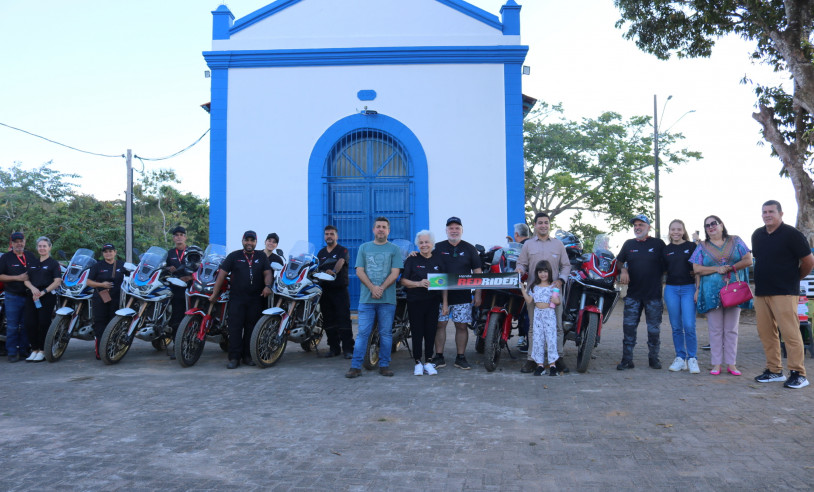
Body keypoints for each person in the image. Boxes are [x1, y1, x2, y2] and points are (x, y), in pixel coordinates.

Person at [751, 200, 814, 389]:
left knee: (790, 333)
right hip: (762, 291)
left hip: (785, 292)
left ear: (780, 213)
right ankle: (774, 370)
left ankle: (798, 373)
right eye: (764, 212)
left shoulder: (792, 235)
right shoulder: (757, 235)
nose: (767, 215)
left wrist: (795, 278)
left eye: (771, 211)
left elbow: (808, 261)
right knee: (766, 333)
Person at [690, 215, 752, 376]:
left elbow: (748, 260)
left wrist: (731, 267)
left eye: (714, 223)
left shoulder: (736, 240)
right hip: (711, 293)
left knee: (731, 329)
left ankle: (732, 364)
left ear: (721, 225)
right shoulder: (702, 246)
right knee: (715, 330)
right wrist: (717, 269)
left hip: (734, 292)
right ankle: (716, 364)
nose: (711, 227)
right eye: (707, 225)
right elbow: (696, 268)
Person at [346, 217, 403, 378]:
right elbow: (359, 271)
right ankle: (355, 366)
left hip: (387, 300)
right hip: (366, 299)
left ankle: (384, 365)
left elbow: (395, 272)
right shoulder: (364, 248)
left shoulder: (394, 249)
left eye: (384, 227)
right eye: (378, 226)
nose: (381, 229)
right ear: (373, 230)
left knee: (385, 333)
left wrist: (381, 288)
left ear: (388, 231)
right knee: (363, 333)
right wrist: (372, 288)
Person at [516, 212, 571, 374]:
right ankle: (532, 360)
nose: (543, 225)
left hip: (554, 292)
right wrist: (520, 269)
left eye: (546, 222)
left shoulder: (558, 244)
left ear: (549, 225)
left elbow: (566, 266)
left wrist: (560, 280)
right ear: (535, 225)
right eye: (540, 222)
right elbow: (522, 263)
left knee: (558, 326)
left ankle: (558, 358)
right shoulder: (528, 245)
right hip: (535, 292)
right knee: (534, 327)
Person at [210, 230, 272, 369]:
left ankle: (248, 356)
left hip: (256, 299)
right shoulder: (234, 256)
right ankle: (234, 358)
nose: (249, 243)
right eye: (247, 240)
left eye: (252, 240)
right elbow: (221, 275)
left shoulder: (261, 256)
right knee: (235, 329)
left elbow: (267, 272)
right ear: (243, 241)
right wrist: (215, 293)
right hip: (237, 298)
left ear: (256, 242)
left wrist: (268, 286)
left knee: (251, 329)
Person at [616, 214, 666, 370]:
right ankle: (627, 360)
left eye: (641, 225)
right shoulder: (629, 244)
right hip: (633, 296)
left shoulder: (658, 244)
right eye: (635, 225)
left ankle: (654, 358)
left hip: (653, 296)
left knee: (654, 330)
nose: (637, 227)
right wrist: (623, 269)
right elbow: (618, 261)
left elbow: (668, 263)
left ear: (648, 227)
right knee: (629, 329)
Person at [432, 216, 482, 370]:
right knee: (440, 325)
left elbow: (477, 271)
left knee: (461, 326)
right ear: (446, 230)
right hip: (439, 295)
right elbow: (425, 259)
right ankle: (439, 356)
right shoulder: (437, 247)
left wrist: (478, 293)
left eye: (457, 228)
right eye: (451, 228)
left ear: (462, 230)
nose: (454, 231)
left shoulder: (470, 248)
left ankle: (460, 357)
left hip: (463, 295)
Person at [401, 230, 448, 376]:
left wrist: (445, 303)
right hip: (415, 301)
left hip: (433, 302)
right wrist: (418, 283)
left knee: (430, 331)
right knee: (417, 332)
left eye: (426, 242)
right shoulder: (412, 259)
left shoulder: (439, 260)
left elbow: (444, 283)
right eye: (421, 243)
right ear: (417, 244)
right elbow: (403, 281)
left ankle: (428, 361)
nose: (424, 245)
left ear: (432, 243)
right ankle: (417, 362)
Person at [663, 220, 700, 374]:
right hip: (671, 289)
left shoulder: (692, 247)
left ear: (683, 230)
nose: (676, 232)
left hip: (688, 289)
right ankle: (680, 358)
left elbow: (697, 270)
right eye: (673, 229)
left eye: (679, 229)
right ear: (669, 231)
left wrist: (697, 289)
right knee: (676, 326)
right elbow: (661, 269)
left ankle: (692, 358)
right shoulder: (665, 250)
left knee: (689, 325)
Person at [317, 226, 354, 358]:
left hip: (340, 290)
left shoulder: (342, 250)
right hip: (325, 291)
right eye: (326, 234)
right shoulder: (321, 253)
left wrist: (333, 271)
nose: (329, 236)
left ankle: (348, 349)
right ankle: (334, 348)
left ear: (336, 236)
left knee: (344, 320)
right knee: (329, 321)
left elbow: (340, 262)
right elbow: (316, 268)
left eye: (331, 234)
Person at [23, 237, 62, 362]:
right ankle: (34, 349)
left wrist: (44, 292)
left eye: (44, 246)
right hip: (33, 296)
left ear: (49, 247)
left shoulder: (53, 263)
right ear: (37, 248)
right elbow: (26, 279)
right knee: (30, 323)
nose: (42, 248)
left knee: (43, 323)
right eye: (40, 246)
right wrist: (33, 289)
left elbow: (57, 281)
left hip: (47, 296)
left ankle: (43, 350)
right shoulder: (33, 263)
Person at [520, 260, 561, 376]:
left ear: (549, 272)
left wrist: (556, 301)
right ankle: (540, 365)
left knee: (551, 339)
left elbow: (557, 301)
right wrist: (523, 289)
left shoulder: (553, 286)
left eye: (545, 271)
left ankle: (553, 365)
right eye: (540, 272)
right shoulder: (534, 287)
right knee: (538, 339)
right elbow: (529, 300)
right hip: (538, 315)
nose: (543, 274)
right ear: (537, 273)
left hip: (549, 315)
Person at [0, 232, 37, 362]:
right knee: (12, 326)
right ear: (12, 243)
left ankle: (23, 351)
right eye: (16, 242)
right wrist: (18, 278)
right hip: (12, 297)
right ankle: (11, 353)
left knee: (26, 325)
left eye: (21, 241)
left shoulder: (31, 256)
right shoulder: (6, 257)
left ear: (24, 241)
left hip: (28, 296)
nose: (19, 244)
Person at [87, 243, 126, 360]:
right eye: (105, 251)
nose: (108, 253)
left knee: (114, 324)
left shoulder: (122, 265)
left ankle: (113, 349)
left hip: (117, 299)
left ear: (115, 252)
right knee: (100, 324)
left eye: (110, 251)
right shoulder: (97, 266)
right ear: (103, 253)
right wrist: (101, 284)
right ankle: (100, 351)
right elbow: (88, 282)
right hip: (100, 299)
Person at [165, 226, 192, 359]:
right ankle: (178, 347)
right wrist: (168, 268)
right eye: (176, 235)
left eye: (181, 234)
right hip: (174, 289)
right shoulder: (170, 253)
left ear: (185, 237)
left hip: (190, 290)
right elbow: (163, 267)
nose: (179, 237)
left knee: (189, 318)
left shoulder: (192, 251)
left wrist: (190, 277)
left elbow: (201, 268)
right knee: (176, 318)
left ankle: (190, 346)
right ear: (173, 238)